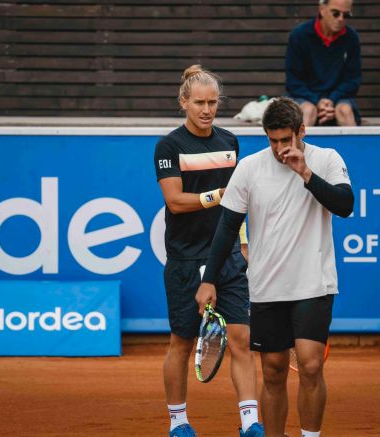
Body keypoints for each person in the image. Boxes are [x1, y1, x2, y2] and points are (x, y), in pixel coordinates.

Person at [195, 97, 354, 437]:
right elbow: (226, 228)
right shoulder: (250, 168)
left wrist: (304, 172)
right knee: (274, 370)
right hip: (267, 286)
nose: (280, 147)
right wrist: (209, 280)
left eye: (286, 139)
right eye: (273, 140)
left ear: (302, 131)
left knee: (310, 365)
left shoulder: (326, 160)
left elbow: (345, 205)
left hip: (315, 282)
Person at [153, 65, 264, 437]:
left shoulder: (230, 141)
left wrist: (243, 244)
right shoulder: (169, 146)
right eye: (199, 102)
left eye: (213, 103)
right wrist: (216, 196)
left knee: (242, 340)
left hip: (228, 255)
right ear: (183, 102)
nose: (206, 110)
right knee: (181, 343)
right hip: (186, 260)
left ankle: (250, 422)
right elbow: (174, 201)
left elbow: (240, 204)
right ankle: (178, 422)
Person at [285, 0, 362, 127]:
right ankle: (299, 147)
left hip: (338, 99)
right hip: (305, 98)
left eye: (346, 15)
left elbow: (352, 80)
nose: (341, 19)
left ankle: (354, 148)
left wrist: (331, 100)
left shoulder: (351, 38)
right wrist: (317, 101)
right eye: (335, 13)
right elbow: (294, 81)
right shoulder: (299, 36)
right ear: (322, 9)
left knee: (345, 111)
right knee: (307, 111)